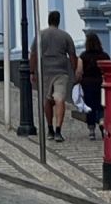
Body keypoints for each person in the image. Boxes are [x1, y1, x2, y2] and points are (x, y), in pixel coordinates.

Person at [29, 9, 80, 143]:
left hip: (45, 72)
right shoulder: (65, 36)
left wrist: (32, 71)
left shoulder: (40, 35)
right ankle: (58, 130)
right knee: (59, 99)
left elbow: (33, 54)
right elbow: (72, 56)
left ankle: (50, 128)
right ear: (58, 21)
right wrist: (74, 71)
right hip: (61, 72)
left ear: (48, 20)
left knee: (47, 100)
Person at [80, 31, 106, 140]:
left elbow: (79, 71)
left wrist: (77, 81)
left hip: (87, 84)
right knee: (101, 104)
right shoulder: (104, 56)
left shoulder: (83, 56)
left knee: (89, 106)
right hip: (101, 83)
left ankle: (91, 130)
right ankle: (101, 120)